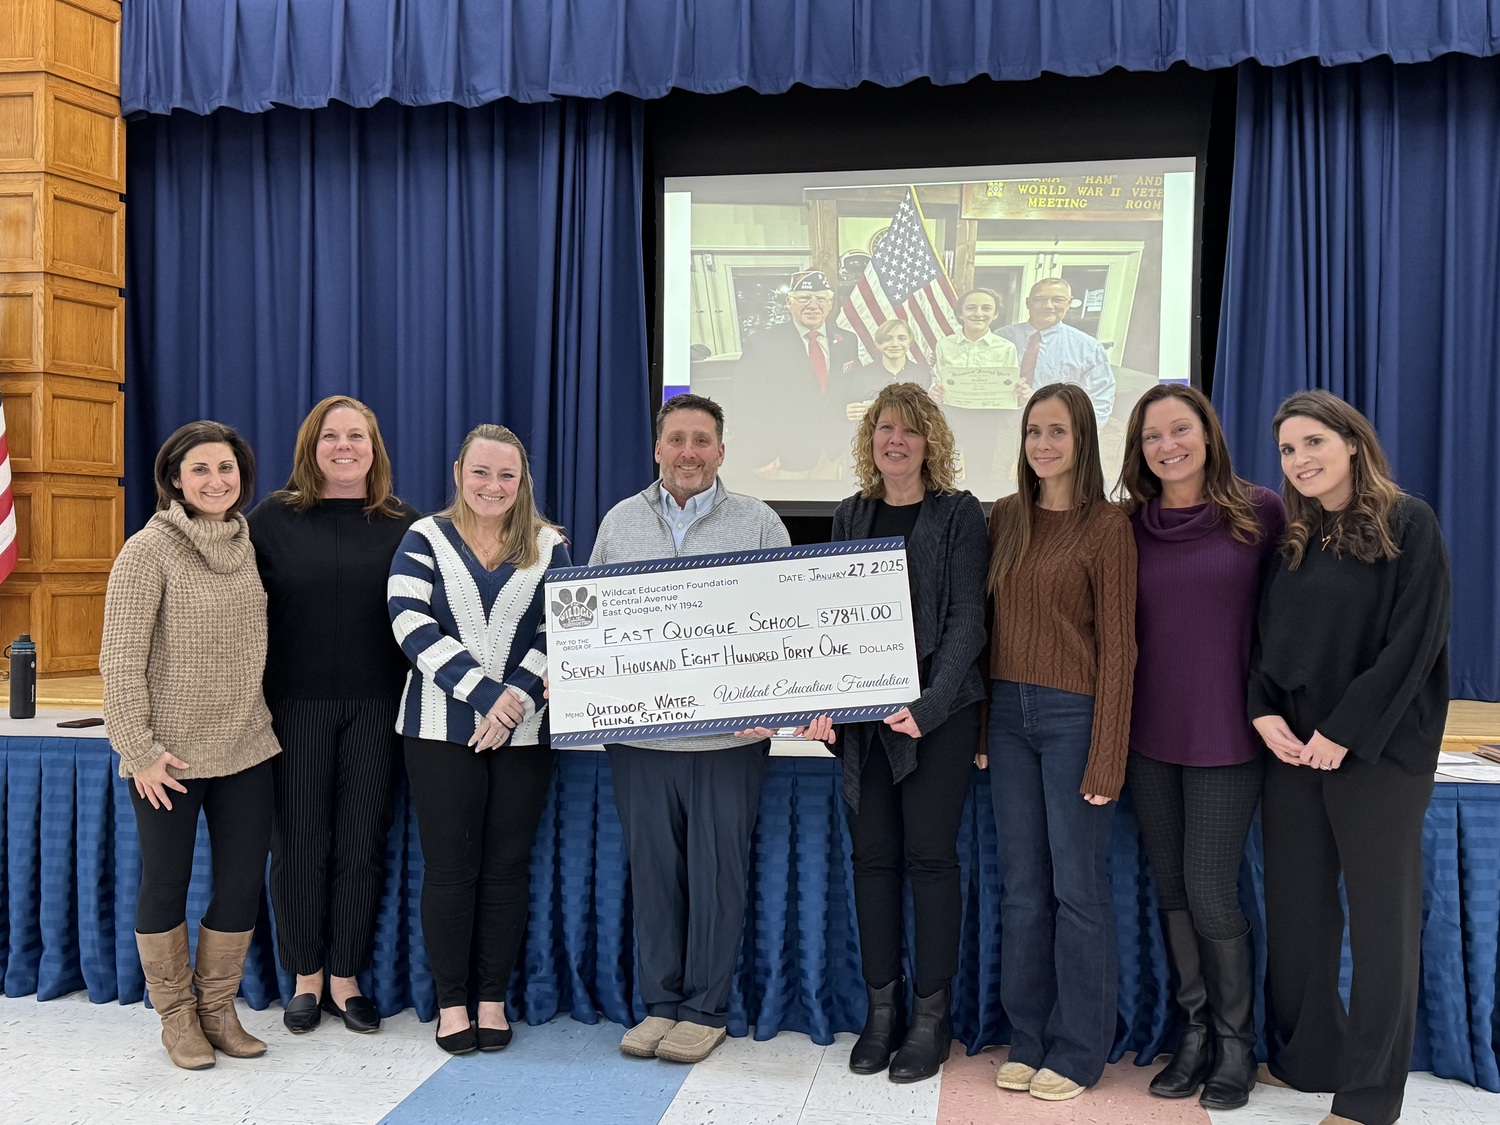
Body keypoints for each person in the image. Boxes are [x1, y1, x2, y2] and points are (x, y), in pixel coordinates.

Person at [1249, 390, 1450, 1125]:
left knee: (1379, 924)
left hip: (1378, 751)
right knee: (1299, 913)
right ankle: (1309, 1058)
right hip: (1296, 750)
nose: (1299, 460)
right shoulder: (1296, 541)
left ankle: (1367, 1100)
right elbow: (1265, 647)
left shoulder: (1409, 523)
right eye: (1287, 451)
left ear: (1353, 442)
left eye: (1312, 443)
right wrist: (1262, 710)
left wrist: (1345, 730)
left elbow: (1414, 644)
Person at [791, 382, 987, 1083]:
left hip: (939, 712)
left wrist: (929, 705)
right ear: (869, 440)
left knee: (931, 858)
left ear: (930, 441)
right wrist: (821, 704)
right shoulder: (850, 513)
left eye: (908, 429)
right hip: (864, 722)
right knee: (871, 858)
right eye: (882, 429)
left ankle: (931, 1022)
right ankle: (883, 1013)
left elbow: (968, 619)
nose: (894, 441)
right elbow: (827, 620)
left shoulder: (960, 513)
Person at [590, 393, 790, 1064]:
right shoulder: (619, 522)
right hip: (641, 741)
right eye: (676, 439)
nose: (688, 452)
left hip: (728, 741)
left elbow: (787, 626)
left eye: (702, 440)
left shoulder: (760, 522)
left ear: (722, 452)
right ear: (657, 448)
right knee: (653, 876)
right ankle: (660, 1004)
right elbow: (593, 626)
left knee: (717, 876)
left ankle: (704, 1010)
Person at [1117, 384, 1284, 1109]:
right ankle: (1191, 1032)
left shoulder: (1260, 511)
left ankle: (1236, 1043)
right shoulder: (1127, 524)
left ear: (1208, 434)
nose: (1167, 445)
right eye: (1152, 435)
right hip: (1148, 734)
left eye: (1179, 429)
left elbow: (1289, 622)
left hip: (1227, 732)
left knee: (1213, 890)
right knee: (1173, 886)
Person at [101, 421, 282, 1070]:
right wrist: (140, 749)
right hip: (167, 758)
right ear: (174, 478)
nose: (216, 480)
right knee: (166, 883)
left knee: (238, 884)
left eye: (226, 468)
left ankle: (217, 1007)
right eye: (200, 469)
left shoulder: (245, 542)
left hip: (247, 745)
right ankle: (177, 1017)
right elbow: (119, 662)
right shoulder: (147, 551)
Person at [387, 424, 569, 1056]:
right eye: (482, 473)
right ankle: (451, 1003)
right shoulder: (423, 539)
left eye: (507, 476)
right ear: (460, 472)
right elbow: (410, 625)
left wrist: (513, 701)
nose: (493, 487)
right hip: (438, 732)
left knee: (505, 870)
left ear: (522, 483)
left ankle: (492, 999)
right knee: (450, 869)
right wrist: (489, 697)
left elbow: (559, 631)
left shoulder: (550, 546)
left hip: (526, 735)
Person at [981, 382, 1137, 1102]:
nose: (1042, 443)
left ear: (1082, 440)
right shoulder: (1005, 518)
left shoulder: (1108, 527)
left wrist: (1108, 750)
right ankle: (1029, 1036)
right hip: (1009, 719)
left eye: (1057, 431)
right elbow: (988, 634)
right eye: (1033, 430)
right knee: (1022, 888)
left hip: (1076, 720)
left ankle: (1078, 1048)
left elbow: (1119, 648)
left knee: (1078, 888)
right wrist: (985, 725)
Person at [248, 396, 420, 1035]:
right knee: (297, 844)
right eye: (330, 436)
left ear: (374, 448)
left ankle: (346, 977)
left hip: (381, 709)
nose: (343, 447)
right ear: (310, 448)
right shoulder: (269, 520)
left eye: (357, 436)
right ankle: (305, 979)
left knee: (360, 843)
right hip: (292, 708)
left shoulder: (409, 525)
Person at [735, 270, 860, 478]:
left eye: (821, 298)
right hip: (783, 459)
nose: (813, 305)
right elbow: (746, 403)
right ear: (789, 302)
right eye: (804, 298)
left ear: (830, 304)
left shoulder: (846, 340)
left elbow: (849, 388)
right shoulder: (763, 344)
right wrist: (762, 456)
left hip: (832, 454)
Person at [929, 287, 1021, 496]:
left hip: (986, 417)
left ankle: (974, 507)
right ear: (961, 313)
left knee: (981, 466)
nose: (978, 313)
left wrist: (1017, 393)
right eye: (971, 307)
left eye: (986, 308)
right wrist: (936, 392)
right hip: (951, 413)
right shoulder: (945, 344)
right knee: (945, 463)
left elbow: (1009, 386)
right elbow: (937, 378)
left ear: (995, 314)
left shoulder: (1006, 348)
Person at [997, 278, 1115, 432]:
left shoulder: (1088, 347)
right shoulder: (1001, 338)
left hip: (1057, 431)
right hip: (1004, 428)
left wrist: (1083, 434)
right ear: (1028, 302)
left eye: (1058, 299)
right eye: (1040, 299)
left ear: (1069, 302)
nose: (1048, 305)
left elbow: (1100, 396)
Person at [846, 319, 932, 420]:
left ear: (909, 343)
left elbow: (926, 413)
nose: (895, 344)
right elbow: (854, 415)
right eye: (887, 339)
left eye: (902, 338)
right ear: (878, 344)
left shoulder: (922, 373)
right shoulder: (861, 375)